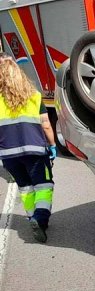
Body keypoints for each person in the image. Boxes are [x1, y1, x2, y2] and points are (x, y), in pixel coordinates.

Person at [0, 53, 57, 243]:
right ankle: (39, 218)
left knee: (25, 187)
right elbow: (46, 123)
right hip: (34, 150)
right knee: (44, 185)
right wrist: (53, 145)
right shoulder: (34, 95)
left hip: (8, 155)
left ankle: (32, 216)